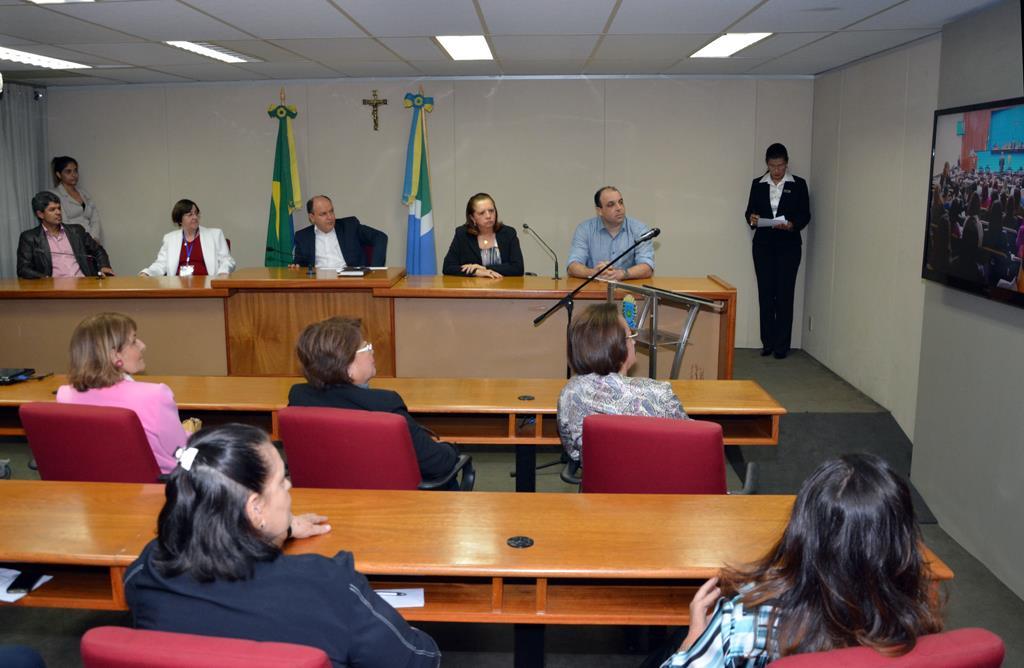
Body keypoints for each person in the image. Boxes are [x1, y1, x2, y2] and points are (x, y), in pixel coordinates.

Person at [124, 423, 440, 667]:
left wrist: (282, 528)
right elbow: (418, 659)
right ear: (255, 508)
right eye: (280, 480)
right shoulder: (327, 585)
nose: (289, 485)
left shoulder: (146, 570)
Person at [657, 453, 943, 667]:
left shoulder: (743, 625)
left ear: (802, 530)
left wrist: (693, 639)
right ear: (902, 541)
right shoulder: (915, 624)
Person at [288, 317, 460, 483]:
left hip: (325, 499)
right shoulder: (384, 404)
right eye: (365, 347)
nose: (372, 350)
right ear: (347, 367)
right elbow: (437, 464)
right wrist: (452, 448)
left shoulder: (299, 397)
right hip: (394, 503)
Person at [56, 312, 186, 474]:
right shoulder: (156, 395)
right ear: (113, 355)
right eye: (133, 341)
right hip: (162, 488)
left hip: (93, 489)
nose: (142, 345)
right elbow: (181, 452)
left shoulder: (65, 396)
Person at [557, 302, 687, 463]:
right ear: (615, 346)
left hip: (600, 483)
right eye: (630, 337)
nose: (634, 342)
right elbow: (690, 444)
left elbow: (573, 452)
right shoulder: (659, 393)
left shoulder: (569, 393)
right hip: (656, 483)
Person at [745, 143, 810, 359]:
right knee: (766, 294)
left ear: (786, 163)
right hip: (763, 246)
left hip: (788, 247)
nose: (776, 170)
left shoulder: (798, 184)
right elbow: (749, 213)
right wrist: (753, 219)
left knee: (784, 295)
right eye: (772, 166)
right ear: (767, 164)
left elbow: (805, 214)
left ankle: (782, 345)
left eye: (780, 165)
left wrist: (792, 224)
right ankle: (768, 342)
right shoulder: (758, 184)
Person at [16, 191, 114, 279]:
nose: (58, 212)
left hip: (84, 284)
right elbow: (23, 269)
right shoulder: (29, 238)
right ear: (40, 214)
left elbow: (98, 250)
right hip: (54, 290)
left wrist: (104, 266)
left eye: (59, 208)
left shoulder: (77, 231)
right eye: (52, 209)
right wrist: (45, 279)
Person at [567, 186, 655, 281]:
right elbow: (573, 266)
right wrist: (594, 273)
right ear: (599, 211)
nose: (619, 208)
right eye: (611, 204)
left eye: (620, 202)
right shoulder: (585, 229)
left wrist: (622, 274)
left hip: (628, 291)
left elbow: (647, 267)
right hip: (596, 289)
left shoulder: (639, 229)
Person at [139, 199, 236, 277]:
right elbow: (160, 264)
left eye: (196, 213)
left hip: (207, 287)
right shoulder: (170, 238)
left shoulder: (215, 235)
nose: (195, 217)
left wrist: (223, 273)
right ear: (180, 220)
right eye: (190, 214)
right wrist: (148, 273)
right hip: (177, 288)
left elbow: (227, 260)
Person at [291, 195, 387, 269]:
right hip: (319, 286)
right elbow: (300, 264)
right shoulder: (302, 237)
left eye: (331, 211)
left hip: (350, 284)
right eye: (323, 214)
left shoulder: (350, 226)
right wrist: (295, 267)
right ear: (312, 218)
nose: (330, 217)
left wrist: (375, 270)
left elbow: (380, 237)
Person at [442, 193, 524, 278]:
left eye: (491, 211)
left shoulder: (508, 233)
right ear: (472, 218)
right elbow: (448, 267)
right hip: (474, 289)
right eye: (482, 213)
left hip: (503, 288)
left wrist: (484, 268)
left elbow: (518, 268)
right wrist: (476, 272)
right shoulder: (462, 235)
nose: (488, 216)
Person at [49, 156, 103, 244]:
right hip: (71, 244)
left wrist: (94, 238)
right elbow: (62, 223)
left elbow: (95, 218)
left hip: (92, 242)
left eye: (75, 170)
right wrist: (81, 244)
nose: (74, 175)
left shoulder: (84, 193)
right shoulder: (54, 195)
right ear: (59, 174)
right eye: (68, 171)